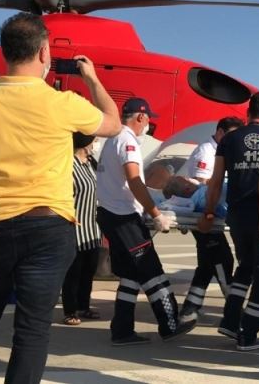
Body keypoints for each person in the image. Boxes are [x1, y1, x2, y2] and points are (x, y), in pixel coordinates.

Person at [0, 12, 121, 384]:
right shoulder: (62, 103)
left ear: (5, 52)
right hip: (48, 228)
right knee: (32, 330)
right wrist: (92, 78)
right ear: (43, 52)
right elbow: (113, 122)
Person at [96, 97, 195, 346]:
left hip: (110, 214)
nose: (148, 125)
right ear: (141, 117)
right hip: (124, 218)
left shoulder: (113, 139)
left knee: (130, 275)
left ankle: (122, 330)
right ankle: (170, 324)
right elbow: (134, 181)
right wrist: (155, 213)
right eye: (148, 119)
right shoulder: (127, 141)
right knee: (152, 271)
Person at [198, 92, 259, 351]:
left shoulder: (229, 139)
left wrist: (209, 212)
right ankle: (249, 332)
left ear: (248, 113)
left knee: (245, 266)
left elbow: (215, 181)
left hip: (237, 215)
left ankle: (231, 320)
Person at [177, 118, 242, 324]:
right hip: (203, 213)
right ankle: (234, 312)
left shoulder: (223, 150)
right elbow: (204, 187)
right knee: (222, 261)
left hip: (210, 213)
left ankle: (191, 307)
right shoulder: (206, 151)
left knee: (207, 263)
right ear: (220, 132)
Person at [60, 133, 104, 326]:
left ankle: (84, 305)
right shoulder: (68, 164)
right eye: (94, 140)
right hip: (75, 228)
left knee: (88, 271)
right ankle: (70, 310)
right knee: (73, 273)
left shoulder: (92, 163)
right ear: (85, 143)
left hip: (93, 228)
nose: (96, 143)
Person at [180, 117, 244, 184]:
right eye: (232, 136)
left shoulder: (226, 149)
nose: (235, 140)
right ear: (220, 132)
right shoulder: (205, 152)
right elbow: (200, 181)